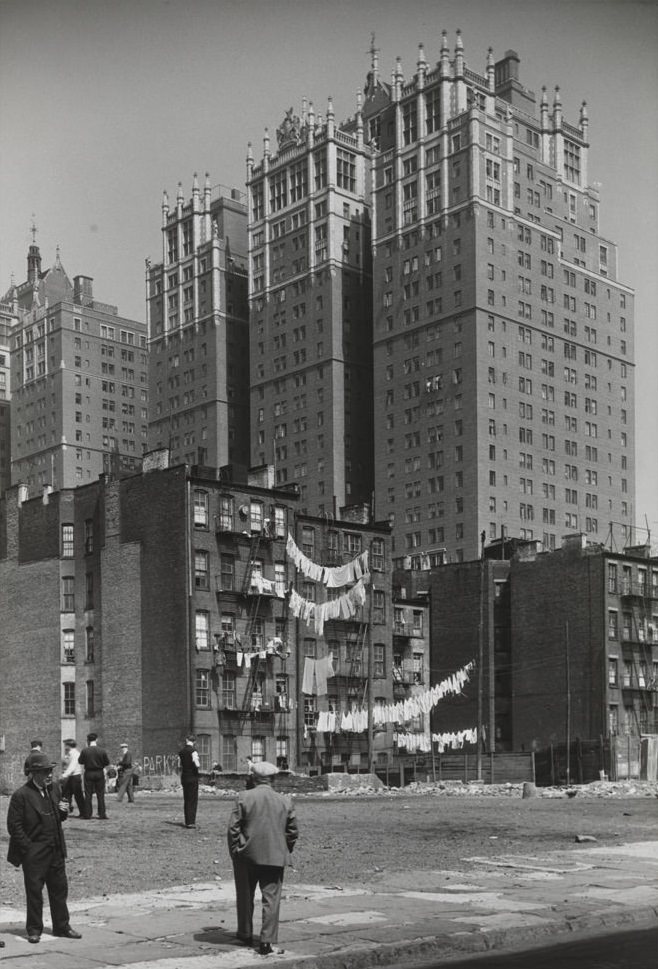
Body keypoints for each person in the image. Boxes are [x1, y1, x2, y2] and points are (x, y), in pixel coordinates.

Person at [6, 751, 82, 943]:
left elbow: (59, 817)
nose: (50, 774)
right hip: (34, 853)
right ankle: (34, 929)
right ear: (33, 773)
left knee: (59, 891)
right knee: (34, 893)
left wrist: (63, 811)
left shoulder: (54, 789)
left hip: (56, 850)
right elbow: (14, 827)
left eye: (50, 771)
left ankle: (62, 926)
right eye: (45, 772)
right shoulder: (20, 796)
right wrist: (28, 849)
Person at [227, 761, 298, 956]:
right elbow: (292, 832)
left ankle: (245, 933)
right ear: (273, 779)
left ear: (254, 778)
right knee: (271, 900)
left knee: (245, 896)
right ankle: (266, 941)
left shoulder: (243, 797)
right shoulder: (285, 801)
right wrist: (284, 849)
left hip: (247, 855)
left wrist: (235, 851)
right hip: (275, 856)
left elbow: (233, 829)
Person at [78, 733, 110, 819]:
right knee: (100, 794)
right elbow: (107, 762)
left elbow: (80, 761)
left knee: (88, 794)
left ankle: (88, 814)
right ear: (96, 740)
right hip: (99, 772)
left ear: (88, 740)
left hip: (88, 773)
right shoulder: (102, 750)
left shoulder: (85, 751)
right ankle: (102, 814)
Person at [178, 734, 199, 828]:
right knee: (193, 799)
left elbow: (179, 765)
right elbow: (197, 764)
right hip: (192, 777)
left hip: (184, 776)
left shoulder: (181, 752)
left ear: (186, 740)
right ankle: (191, 822)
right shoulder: (193, 751)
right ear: (194, 742)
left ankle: (187, 821)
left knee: (186, 799)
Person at [60, 740, 85, 817]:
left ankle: (84, 813)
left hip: (75, 777)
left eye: (65, 745)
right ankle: (64, 811)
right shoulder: (70, 754)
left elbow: (72, 767)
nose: (64, 747)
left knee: (78, 795)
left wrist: (64, 775)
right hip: (72, 777)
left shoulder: (75, 754)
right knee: (66, 794)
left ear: (68, 746)